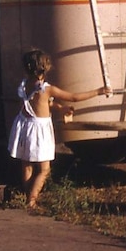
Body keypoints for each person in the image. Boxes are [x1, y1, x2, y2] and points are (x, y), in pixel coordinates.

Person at [7, 49, 110, 209]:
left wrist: (60, 108)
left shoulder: (24, 85)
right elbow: (74, 97)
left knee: (26, 164)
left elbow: (36, 105)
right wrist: (98, 91)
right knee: (44, 169)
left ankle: (26, 195)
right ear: (44, 68)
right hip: (39, 130)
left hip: (24, 126)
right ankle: (31, 201)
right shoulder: (47, 89)